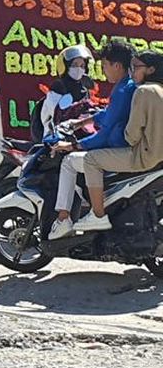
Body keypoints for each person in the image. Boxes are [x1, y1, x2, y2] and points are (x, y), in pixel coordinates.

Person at [54, 50, 163, 234]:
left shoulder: (142, 91)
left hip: (142, 156)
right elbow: (109, 115)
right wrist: (83, 122)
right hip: (155, 154)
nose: (132, 71)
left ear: (151, 69)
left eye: (136, 67)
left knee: (91, 160)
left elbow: (132, 135)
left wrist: (119, 133)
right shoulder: (157, 89)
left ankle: (97, 215)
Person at [48, 40, 135, 240]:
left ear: (117, 66)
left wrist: (72, 145)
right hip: (123, 145)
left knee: (69, 162)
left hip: (120, 148)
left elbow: (105, 132)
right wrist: (82, 122)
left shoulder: (123, 90)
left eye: (104, 65)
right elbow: (108, 114)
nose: (103, 71)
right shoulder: (126, 87)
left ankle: (68, 218)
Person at [33, 44, 96, 143]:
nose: (79, 69)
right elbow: (56, 115)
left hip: (80, 136)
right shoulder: (57, 89)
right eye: (74, 65)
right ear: (65, 66)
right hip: (56, 137)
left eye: (82, 66)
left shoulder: (84, 89)